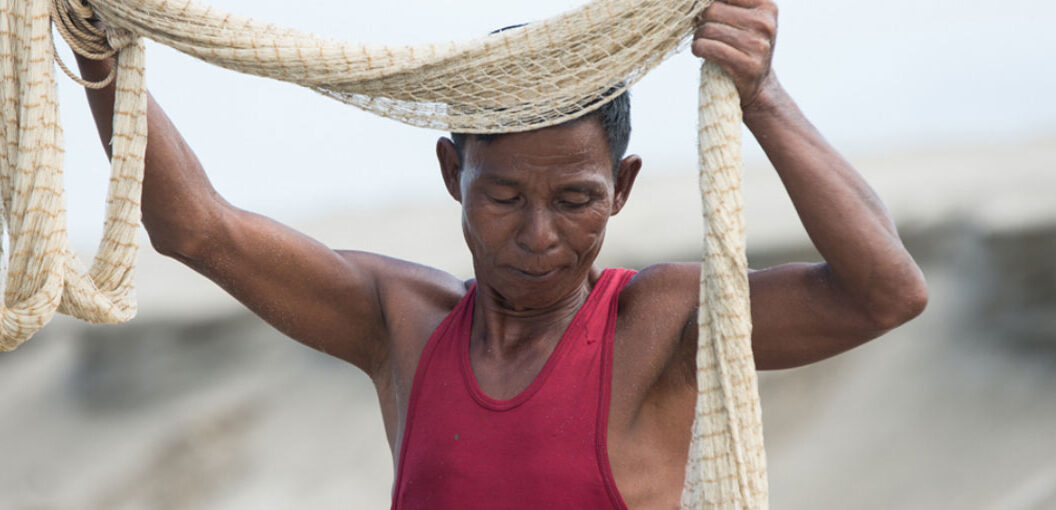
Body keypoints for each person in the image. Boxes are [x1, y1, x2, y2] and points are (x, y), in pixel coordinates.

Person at [75, 0, 926, 508]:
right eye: (504, 196)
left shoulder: (658, 324)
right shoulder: (399, 324)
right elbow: (195, 227)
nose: (538, 236)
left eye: (576, 199)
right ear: (453, 172)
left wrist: (764, 96)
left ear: (621, 188)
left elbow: (886, 293)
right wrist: (93, 42)